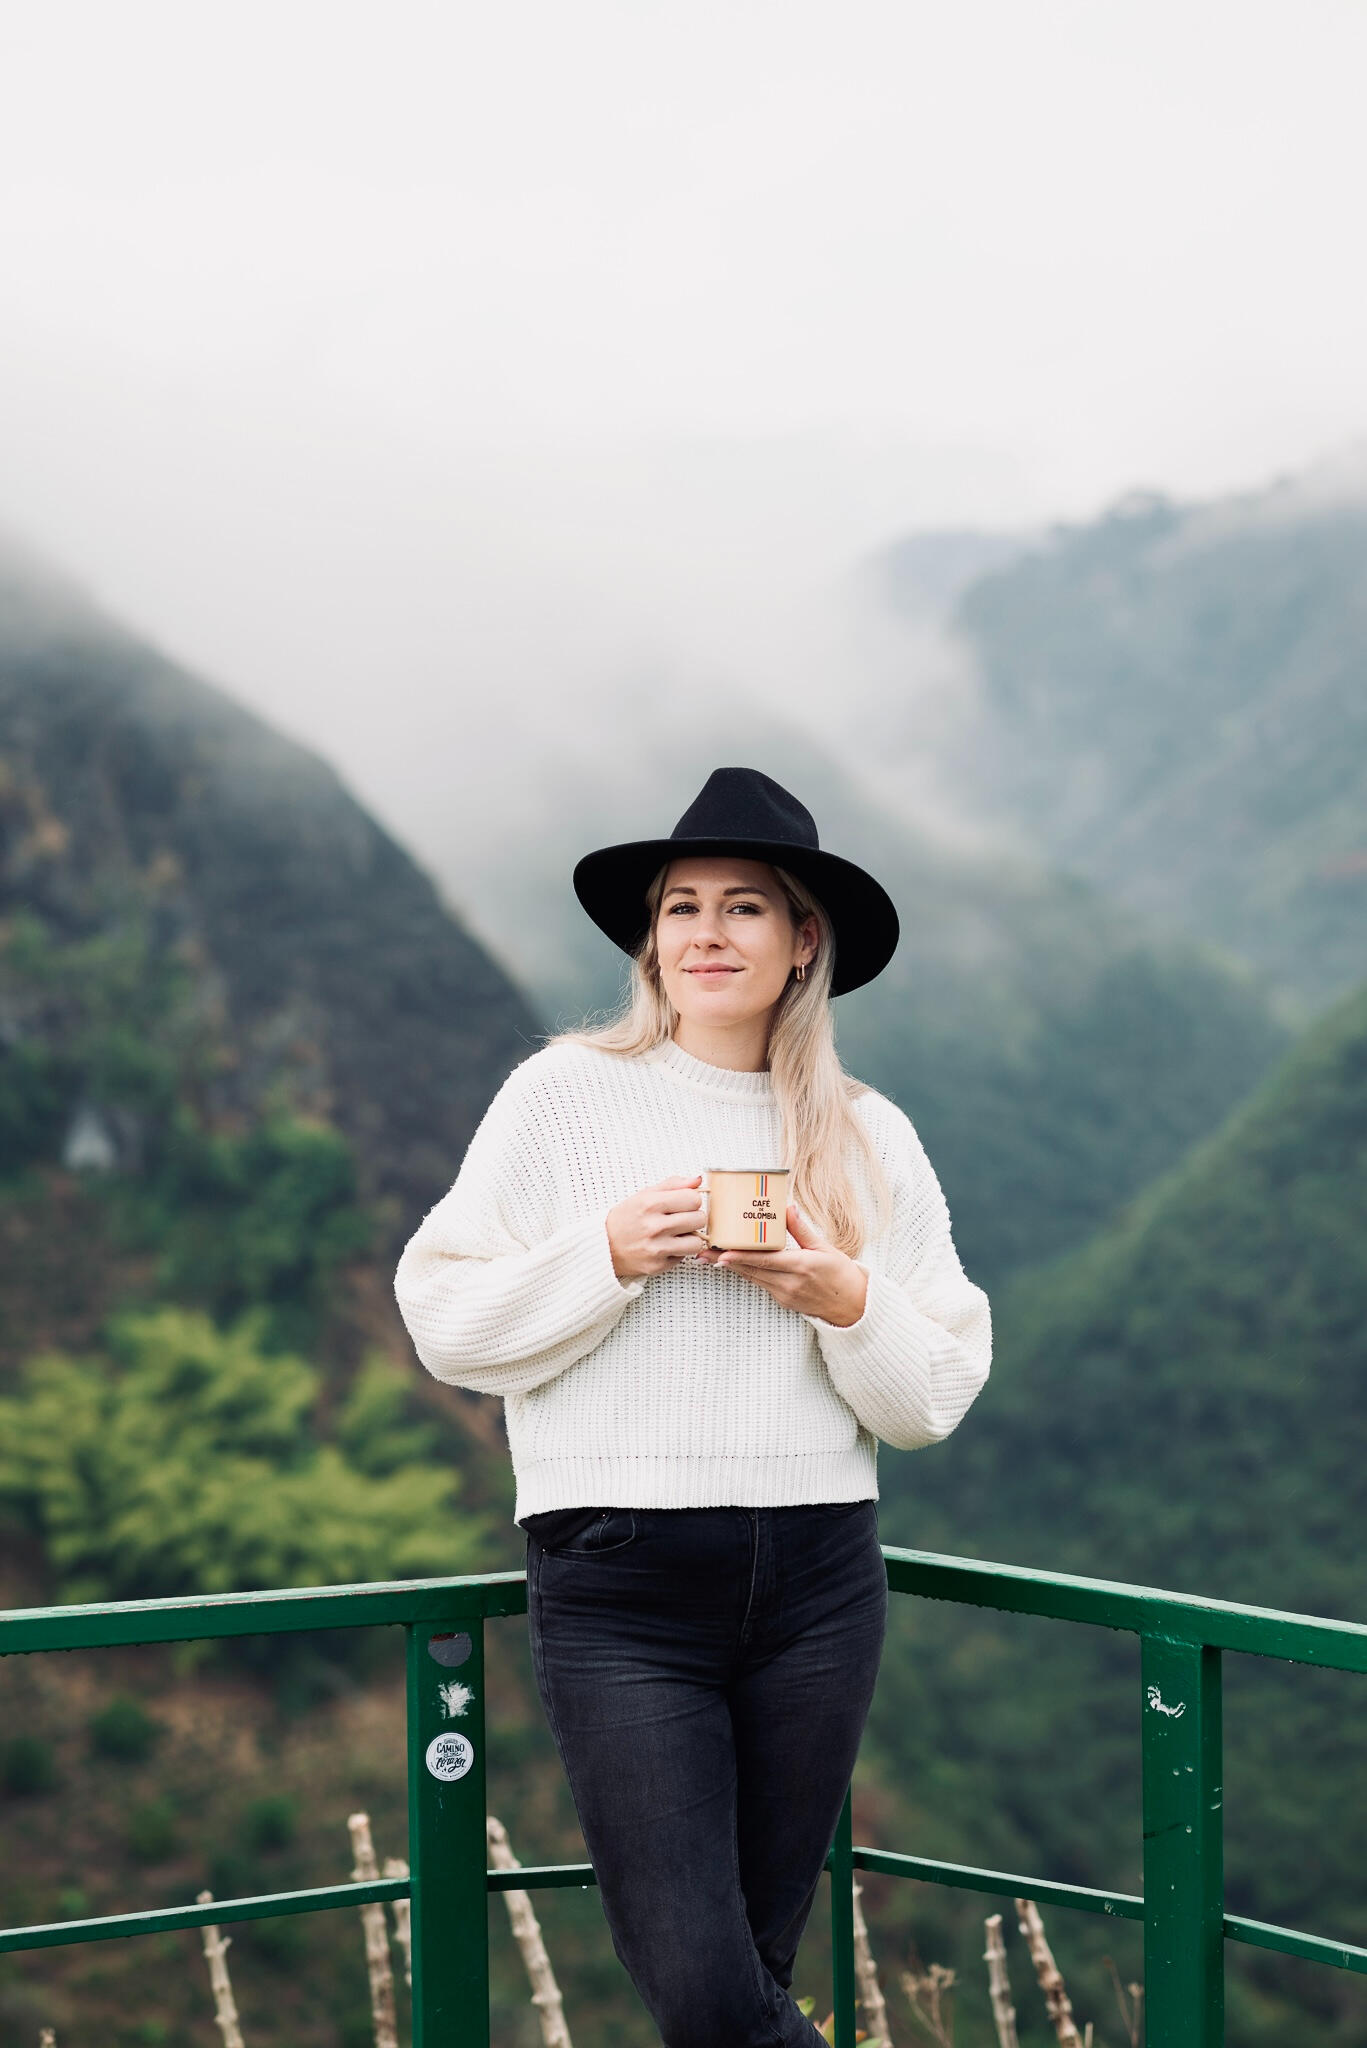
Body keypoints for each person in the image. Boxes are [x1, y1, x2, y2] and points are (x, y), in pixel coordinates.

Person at [393, 764, 992, 2048]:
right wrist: (606, 1250)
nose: (705, 935)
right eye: (679, 908)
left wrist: (838, 1292)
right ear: (649, 938)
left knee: (748, 1978)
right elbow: (444, 1318)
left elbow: (933, 1390)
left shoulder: (868, 1133)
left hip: (821, 1582)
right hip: (619, 1582)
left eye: (742, 908)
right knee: (712, 1997)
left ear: (801, 941)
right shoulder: (560, 1094)